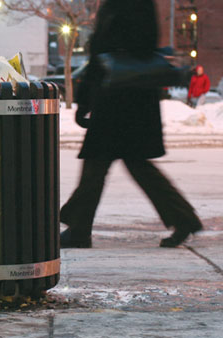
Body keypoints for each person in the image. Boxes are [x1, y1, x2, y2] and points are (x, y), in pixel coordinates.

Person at [59, 0, 203, 249]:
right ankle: (183, 219)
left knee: (102, 162)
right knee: (126, 164)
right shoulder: (138, 4)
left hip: (118, 97)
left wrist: (85, 101)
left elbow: (101, 53)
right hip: (132, 98)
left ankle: (79, 228)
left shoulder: (120, 6)